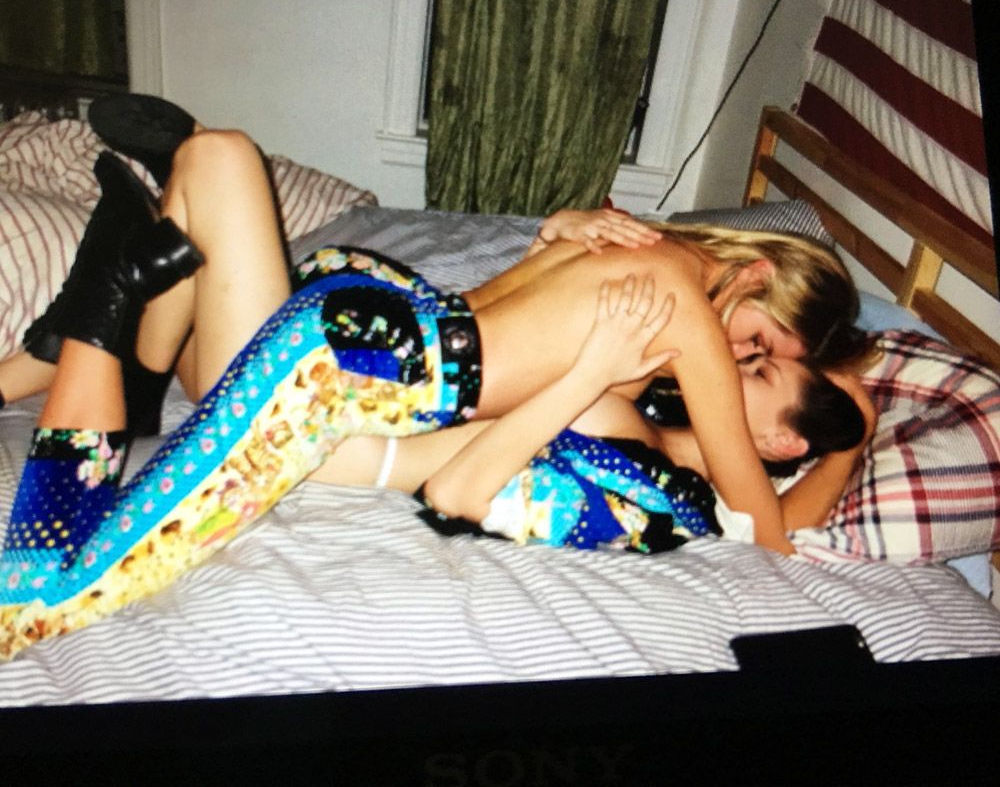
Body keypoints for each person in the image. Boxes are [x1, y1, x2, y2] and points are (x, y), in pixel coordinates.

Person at [0, 97, 866, 658]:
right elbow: (765, 529)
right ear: (755, 274)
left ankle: (121, 315)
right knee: (40, 601)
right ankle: (103, 297)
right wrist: (848, 438)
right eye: (759, 341)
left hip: (373, 316)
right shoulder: (688, 317)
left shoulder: (629, 245)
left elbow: (550, 351)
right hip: (343, 369)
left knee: (220, 155)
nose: (735, 358)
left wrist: (553, 238)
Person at [310, 276, 869, 552]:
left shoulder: (660, 502)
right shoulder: (647, 409)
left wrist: (850, 445)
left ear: (782, 442)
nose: (733, 362)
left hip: (333, 441)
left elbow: (456, 493)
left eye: (760, 372)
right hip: (367, 376)